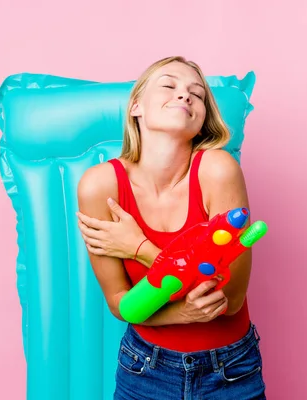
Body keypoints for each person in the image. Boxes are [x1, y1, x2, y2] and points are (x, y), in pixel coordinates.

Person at [76, 56, 266, 399]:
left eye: (197, 94)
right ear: (136, 106)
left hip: (231, 371)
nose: (185, 95)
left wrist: (139, 248)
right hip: (144, 369)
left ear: (203, 120)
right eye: (169, 85)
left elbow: (230, 298)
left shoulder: (218, 171)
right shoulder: (100, 186)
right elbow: (119, 302)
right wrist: (182, 313)